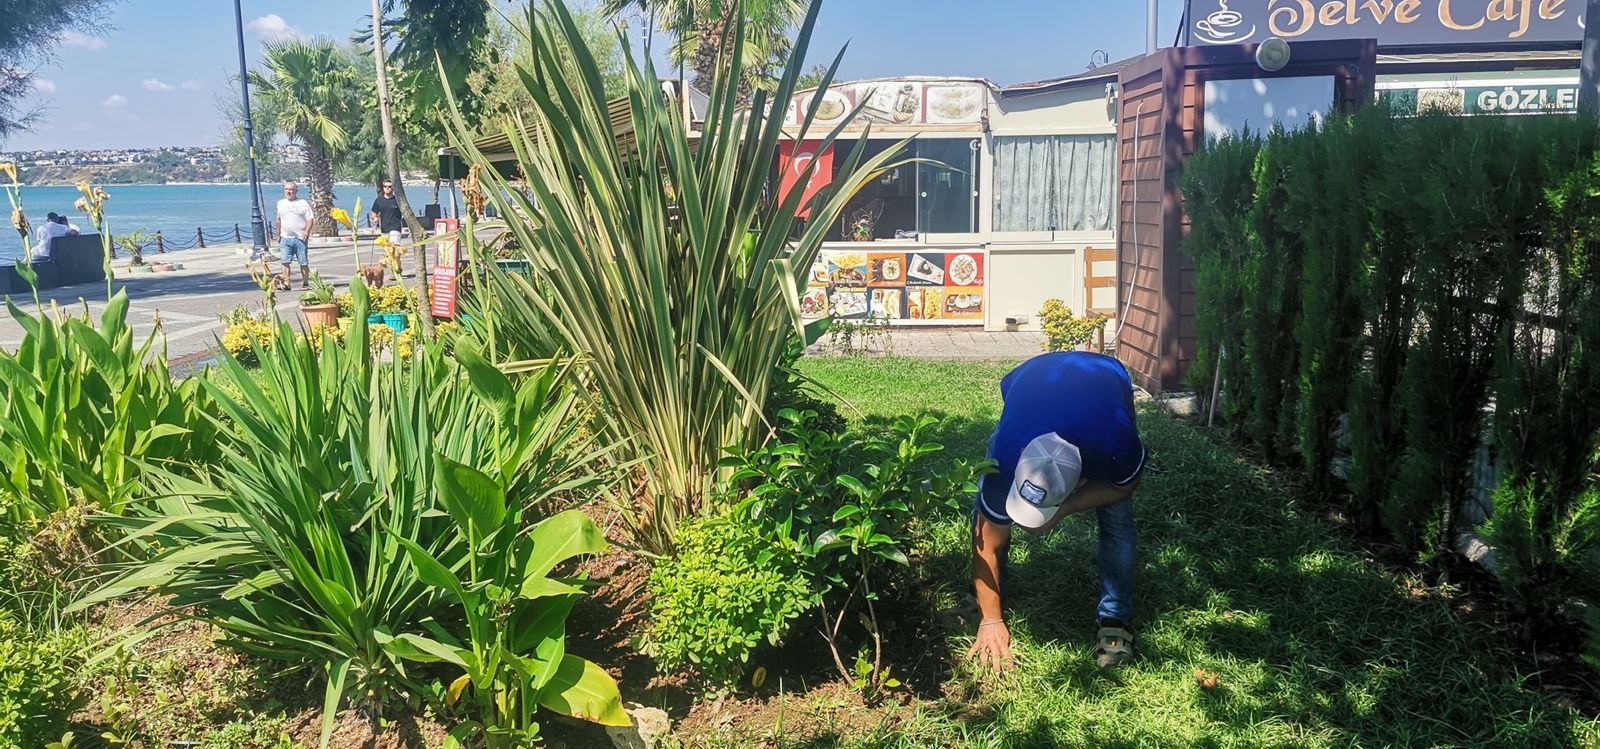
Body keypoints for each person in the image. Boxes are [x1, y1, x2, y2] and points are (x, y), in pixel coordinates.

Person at [967, 351, 1146, 672]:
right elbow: (986, 541)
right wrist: (990, 621)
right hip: (1032, 379)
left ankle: (1114, 618)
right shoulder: (1005, 458)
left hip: (1105, 375)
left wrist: (1063, 510)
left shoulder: (1114, 444)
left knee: (1117, 518)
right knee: (985, 511)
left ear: (1080, 480)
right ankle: (984, 600)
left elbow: (1123, 486)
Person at [275, 181, 315, 289]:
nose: (288, 192)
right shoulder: (280, 203)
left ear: (296, 191)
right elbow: (278, 220)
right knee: (285, 261)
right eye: (286, 189)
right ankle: (286, 283)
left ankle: (306, 283)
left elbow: (310, 218)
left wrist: (307, 231)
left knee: (303, 262)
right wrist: (278, 234)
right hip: (285, 238)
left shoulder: (303, 203)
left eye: (291, 190)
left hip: (300, 238)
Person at [369, 179, 405, 247]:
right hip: (384, 229)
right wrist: (375, 218)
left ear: (393, 188)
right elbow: (374, 213)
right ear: (383, 187)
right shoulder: (379, 200)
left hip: (395, 228)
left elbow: (404, 212)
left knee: (394, 249)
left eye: (389, 186)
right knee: (387, 250)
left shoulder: (397, 200)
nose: (387, 188)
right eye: (385, 186)